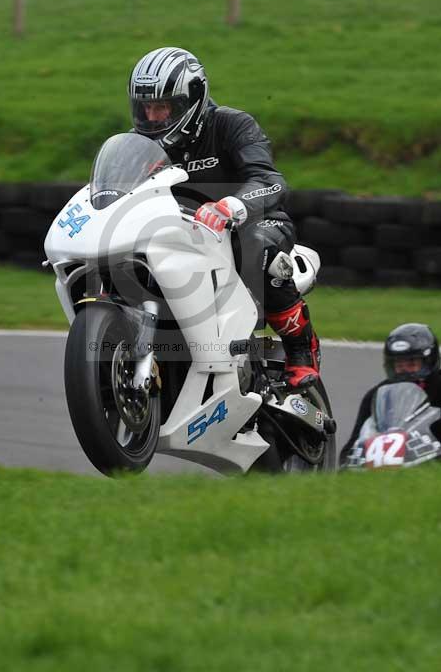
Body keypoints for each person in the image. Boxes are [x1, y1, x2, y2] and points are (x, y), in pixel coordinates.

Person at [128, 46, 320, 388]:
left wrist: (230, 206)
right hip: (181, 237)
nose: (154, 117)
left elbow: (270, 181)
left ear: (192, 100)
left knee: (253, 244)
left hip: (254, 223)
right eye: (147, 107)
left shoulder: (232, 124)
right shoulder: (137, 145)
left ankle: (301, 350)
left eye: (163, 107)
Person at [339, 323, 441, 465]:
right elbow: (350, 449)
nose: (404, 371)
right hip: (387, 461)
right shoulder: (376, 395)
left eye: (412, 363)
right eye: (399, 365)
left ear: (429, 362)